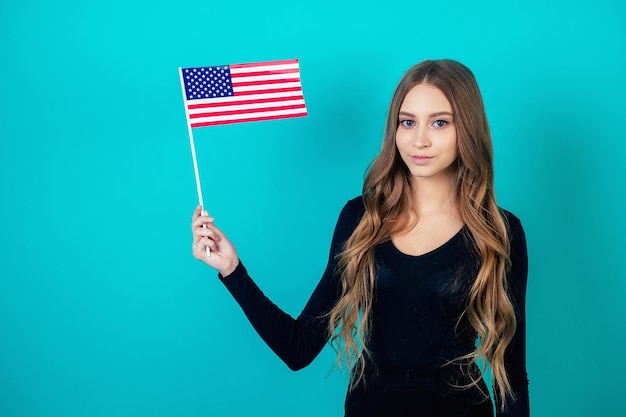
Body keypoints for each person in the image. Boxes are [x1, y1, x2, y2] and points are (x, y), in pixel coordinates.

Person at [191, 59, 529, 417]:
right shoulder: (360, 219)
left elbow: (511, 377)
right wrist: (232, 270)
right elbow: (299, 348)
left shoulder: (499, 233)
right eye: (408, 121)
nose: (420, 139)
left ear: (467, 129)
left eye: (440, 122)